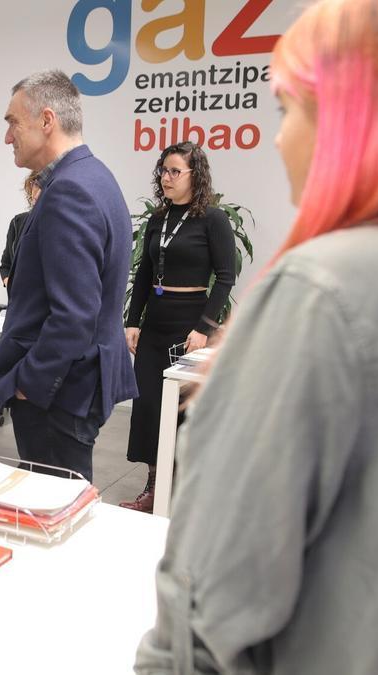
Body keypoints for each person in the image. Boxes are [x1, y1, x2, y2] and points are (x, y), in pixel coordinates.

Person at [134, 0, 378, 672]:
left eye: (287, 109)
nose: (277, 137)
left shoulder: (318, 293)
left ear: (351, 117)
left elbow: (204, 618)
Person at [0, 70, 138, 483]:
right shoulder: (94, 176)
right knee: (62, 503)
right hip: (77, 383)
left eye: (12, 122)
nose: (7, 136)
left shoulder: (70, 191)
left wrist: (28, 384)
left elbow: (74, 316)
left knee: (54, 510)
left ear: (47, 120)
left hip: (59, 393)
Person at [120, 143, 235, 513]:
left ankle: (186, 495)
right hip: (156, 321)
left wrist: (204, 326)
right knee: (150, 406)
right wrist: (133, 321)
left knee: (185, 411)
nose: (165, 178)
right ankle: (154, 489)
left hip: (191, 324)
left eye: (174, 172)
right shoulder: (159, 218)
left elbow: (226, 277)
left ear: (194, 175)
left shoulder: (213, 220)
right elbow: (143, 276)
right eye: (163, 171)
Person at [0, 170, 42, 286]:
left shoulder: (58, 226)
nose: (37, 194)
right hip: (17, 302)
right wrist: (10, 285)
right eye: (36, 185)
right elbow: (5, 266)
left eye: (44, 187)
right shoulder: (17, 222)